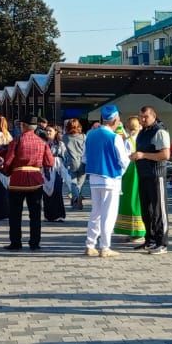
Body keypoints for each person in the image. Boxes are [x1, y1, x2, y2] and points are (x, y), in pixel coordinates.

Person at [2, 117, 55, 251]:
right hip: (35, 180)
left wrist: (6, 172)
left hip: (18, 180)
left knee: (15, 214)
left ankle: (16, 243)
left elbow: (8, 160)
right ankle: (34, 243)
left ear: (24, 126)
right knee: (35, 214)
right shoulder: (42, 142)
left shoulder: (17, 141)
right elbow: (49, 162)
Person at [84, 108, 131, 257]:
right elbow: (124, 160)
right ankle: (105, 247)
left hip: (94, 178)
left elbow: (84, 158)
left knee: (95, 212)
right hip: (111, 178)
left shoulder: (90, 135)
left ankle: (90, 244)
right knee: (108, 214)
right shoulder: (114, 137)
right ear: (115, 120)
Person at [132, 105, 171, 255]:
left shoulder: (160, 131)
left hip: (156, 175)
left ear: (153, 116)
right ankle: (150, 240)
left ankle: (162, 242)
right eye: (140, 117)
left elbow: (165, 155)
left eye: (145, 117)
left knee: (159, 210)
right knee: (146, 210)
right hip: (143, 174)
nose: (142, 120)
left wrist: (143, 155)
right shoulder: (143, 132)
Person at [116, 116, 146, 245]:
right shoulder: (142, 139)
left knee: (130, 200)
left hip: (130, 172)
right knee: (137, 200)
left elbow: (124, 159)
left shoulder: (128, 140)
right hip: (138, 171)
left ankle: (134, 231)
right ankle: (136, 232)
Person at [63, 118, 88, 210]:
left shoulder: (65, 137)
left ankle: (76, 199)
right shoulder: (84, 137)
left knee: (73, 182)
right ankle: (77, 198)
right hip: (83, 162)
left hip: (71, 163)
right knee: (80, 183)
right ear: (78, 127)